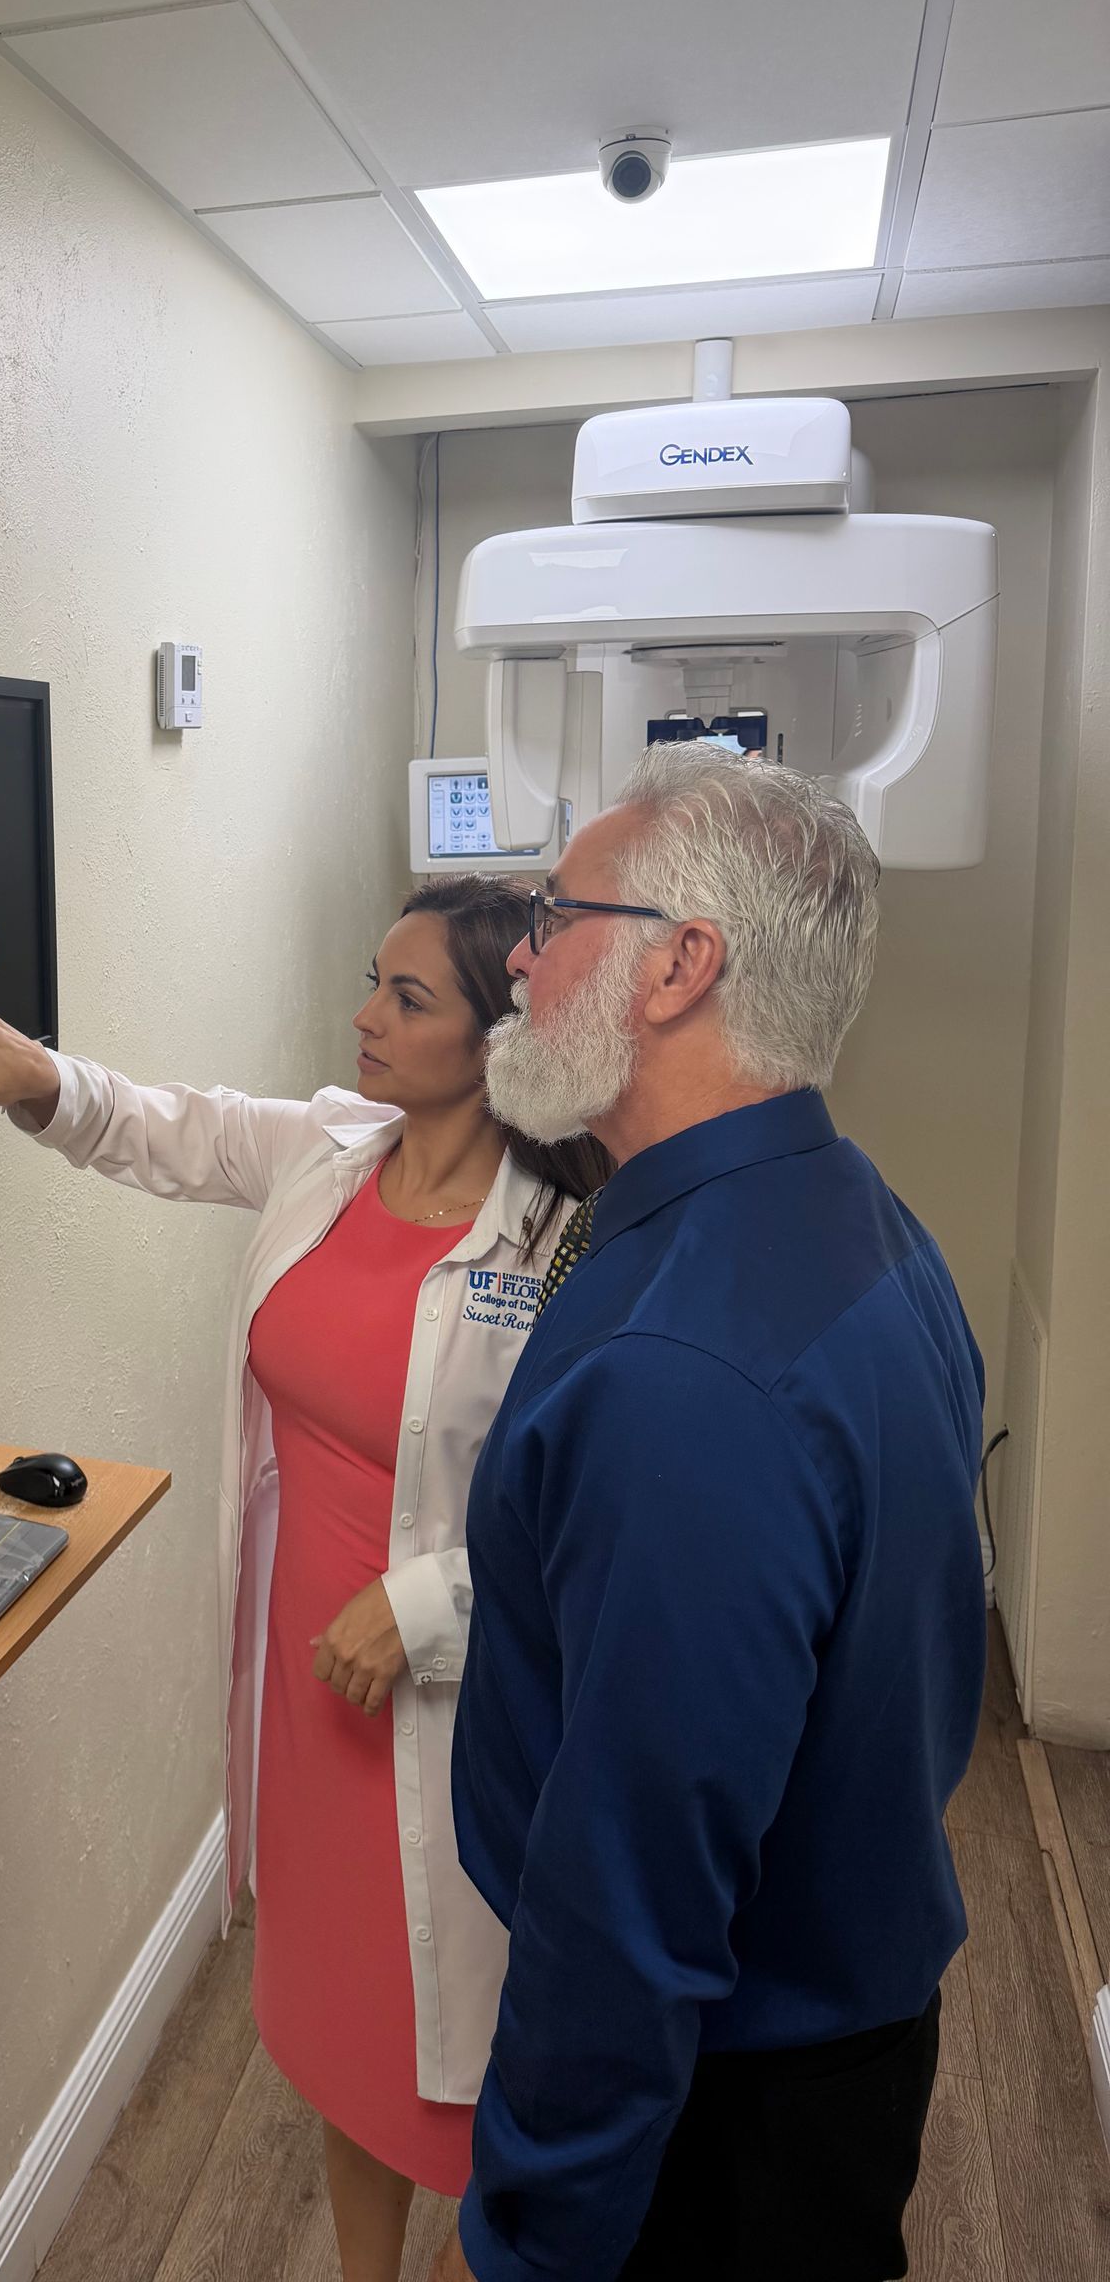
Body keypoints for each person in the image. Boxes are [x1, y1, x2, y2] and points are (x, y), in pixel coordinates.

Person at [0, 879, 610, 2282]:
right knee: (353, 2035)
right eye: (374, 981)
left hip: (463, 1711)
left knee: (473, 2060)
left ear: (496, 1040)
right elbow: (168, 1130)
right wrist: (35, 1075)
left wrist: (429, 1607)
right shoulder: (331, 1152)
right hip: (309, 1695)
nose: (364, 1016)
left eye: (407, 1000)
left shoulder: (566, 1243)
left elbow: (604, 1527)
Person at [432, 745, 986, 2282]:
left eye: (554, 914)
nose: (520, 957)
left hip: (717, 2107)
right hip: (833, 2022)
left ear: (682, 964)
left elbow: (635, 1901)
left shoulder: (687, 1368)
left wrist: (528, 2242)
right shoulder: (855, 1209)